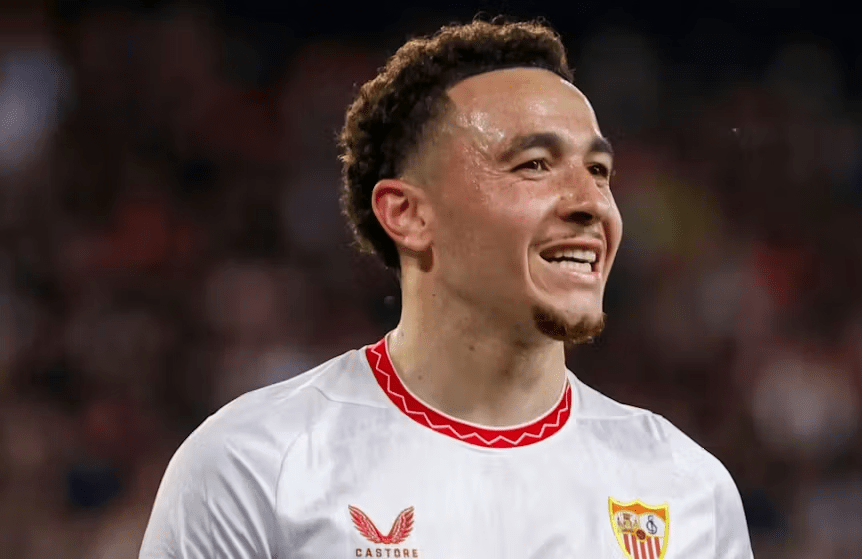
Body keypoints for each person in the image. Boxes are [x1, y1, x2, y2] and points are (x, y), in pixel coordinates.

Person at [140, 19, 754, 559]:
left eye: (599, 171)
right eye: (534, 164)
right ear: (407, 214)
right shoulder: (252, 467)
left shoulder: (686, 489)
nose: (591, 203)